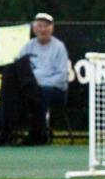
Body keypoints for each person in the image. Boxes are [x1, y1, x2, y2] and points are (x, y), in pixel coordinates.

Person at [16, 12, 69, 144]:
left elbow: (62, 75)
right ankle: (12, 131)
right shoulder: (28, 46)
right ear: (34, 28)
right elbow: (18, 66)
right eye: (39, 26)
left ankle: (39, 134)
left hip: (55, 90)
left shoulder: (59, 47)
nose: (42, 29)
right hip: (32, 88)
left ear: (52, 28)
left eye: (46, 26)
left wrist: (40, 84)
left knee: (40, 94)